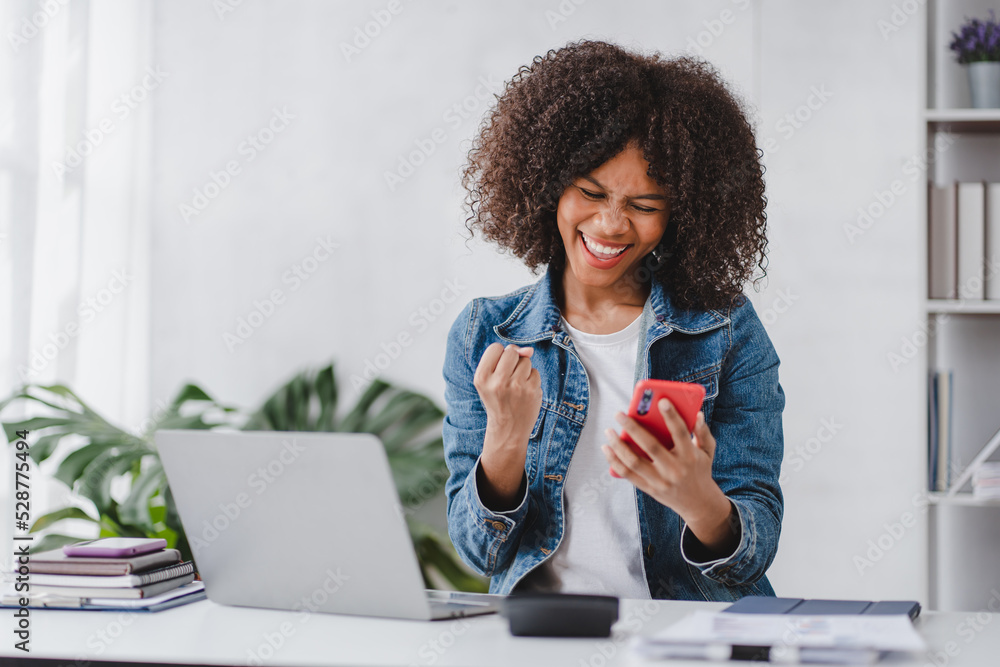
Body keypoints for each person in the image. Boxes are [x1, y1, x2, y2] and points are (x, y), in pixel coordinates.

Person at [441, 39, 784, 601]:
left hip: (685, 637)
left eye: (645, 206)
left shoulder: (725, 331)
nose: (610, 225)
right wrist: (504, 440)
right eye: (590, 192)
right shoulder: (487, 334)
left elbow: (751, 555)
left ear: (682, 215)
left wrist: (701, 501)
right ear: (547, 183)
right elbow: (481, 553)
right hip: (546, 638)